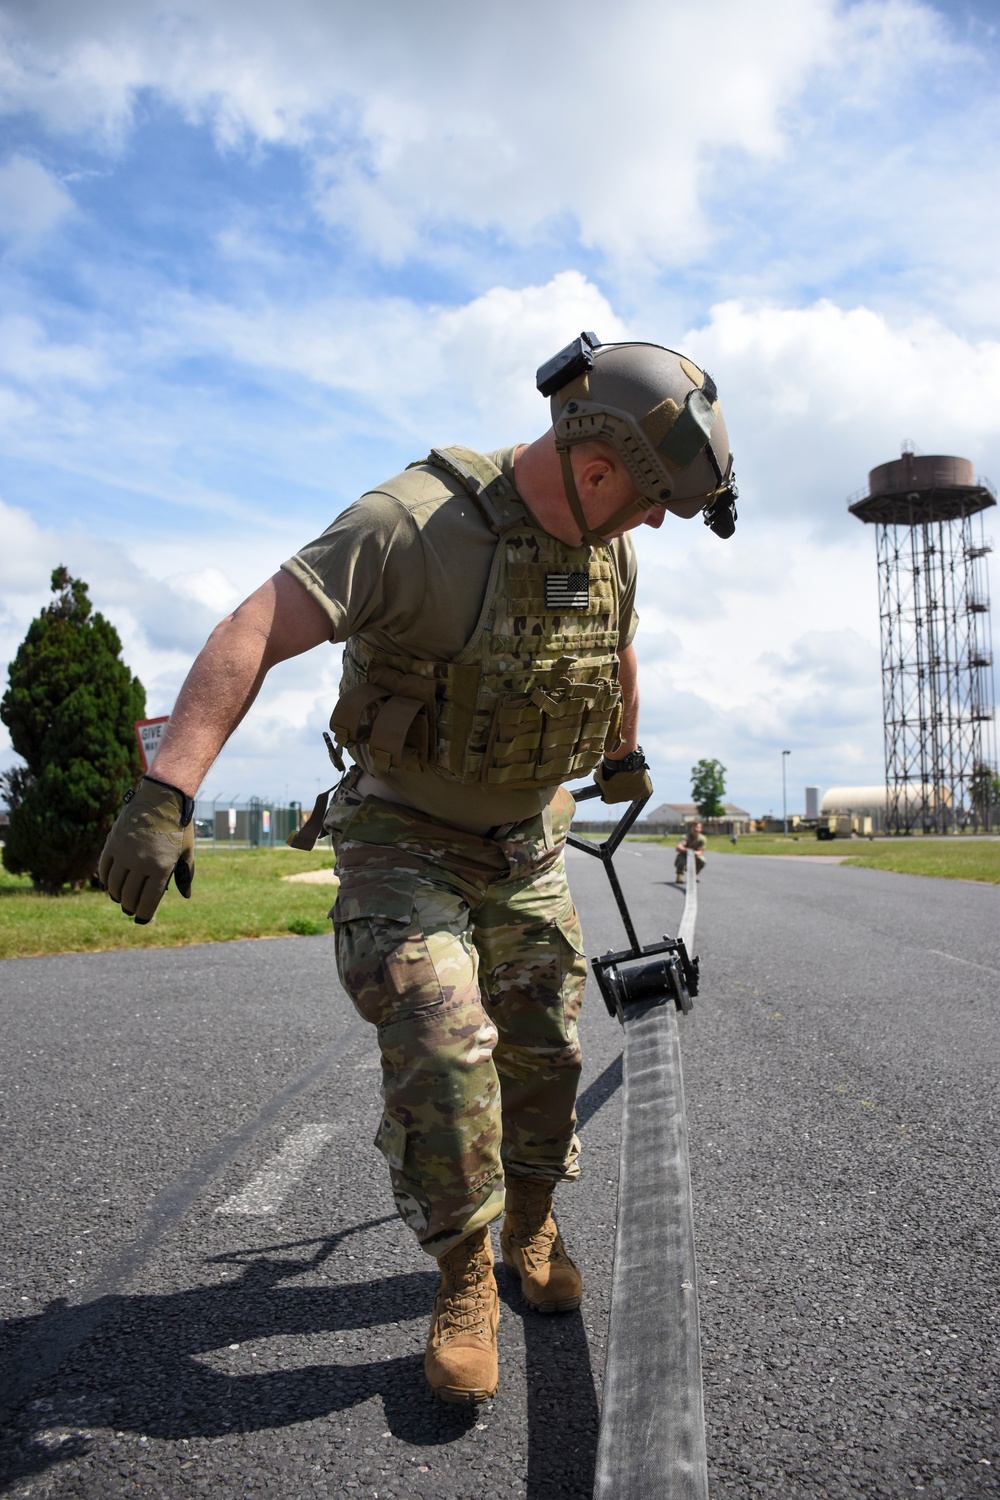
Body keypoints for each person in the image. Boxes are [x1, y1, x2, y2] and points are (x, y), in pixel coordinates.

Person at [98, 333, 737, 1405]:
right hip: (404, 839)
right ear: (592, 465)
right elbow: (255, 625)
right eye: (649, 496)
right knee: (446, 1041)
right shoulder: (410, 526)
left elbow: (615, 640)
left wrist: (621, 747)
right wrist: (170, 790)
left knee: (546, 1053)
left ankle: (529, 1232)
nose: (657, 520)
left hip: (528, 843)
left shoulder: (606, 545)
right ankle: (462, 1281)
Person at [675, 819, 707, 883]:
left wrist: (694, 853)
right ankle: (679, 876)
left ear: (700, 829)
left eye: (697, 827)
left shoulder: (702, 839)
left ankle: (694, 875)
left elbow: (700, 851)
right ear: (691, 828)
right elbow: (679, 847)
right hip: (684, 855)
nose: (696, 829)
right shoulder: (685, 837)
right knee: (681, 861)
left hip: (694, 856)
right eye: (694, 827)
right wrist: (687, 850)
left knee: (702, 860)